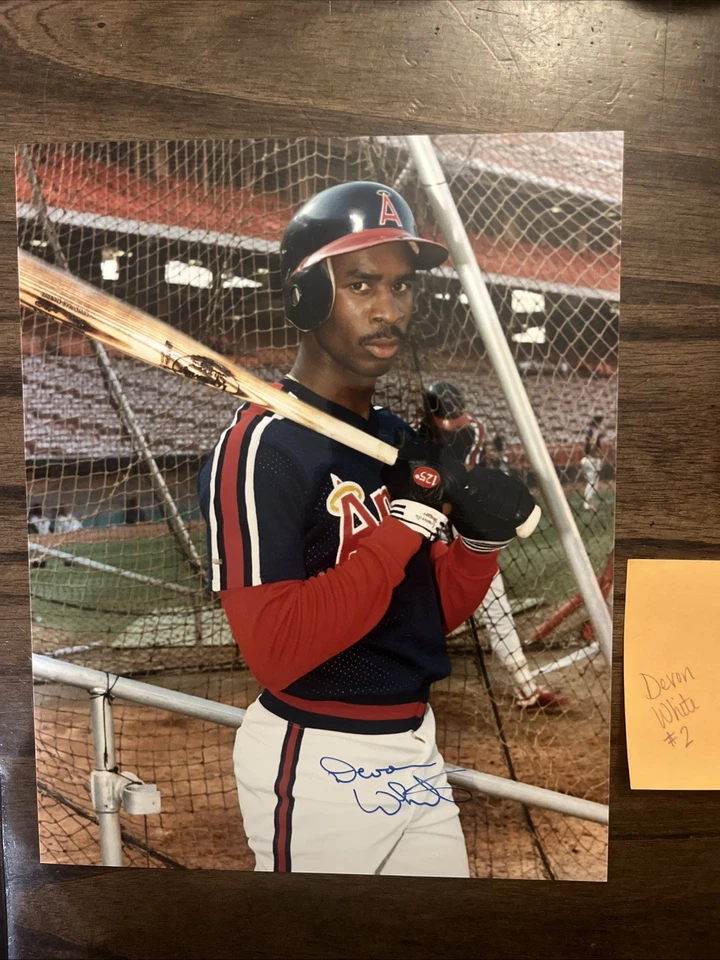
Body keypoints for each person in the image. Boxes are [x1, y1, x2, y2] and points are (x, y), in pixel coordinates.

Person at [198, 181, 537, 878]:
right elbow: (279, 650)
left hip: (415, 748)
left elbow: (422, 615)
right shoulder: (263, 446)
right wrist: (408, 518)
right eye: (361, 284)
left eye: (402, 286)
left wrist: (478, 541)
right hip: (318, 755)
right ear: (307, 296)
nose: (390, 310)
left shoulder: (395, 440)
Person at [419, 382, 567, 711]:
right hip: (424, 532)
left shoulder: (471, 430)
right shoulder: (417, 432)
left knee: (496, 608)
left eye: (455, 413)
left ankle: (525, 688)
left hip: (464, 535)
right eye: (448, 413)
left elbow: (459, 478)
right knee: (418, 608)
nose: (454, 419)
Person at [580, 414, 605, 512]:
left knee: (593, 483)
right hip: (591, 460)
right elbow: (592, 445)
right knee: (592, 483)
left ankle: (590, 503)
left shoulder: (592, 431)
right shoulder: (593, 432)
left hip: (590, 459)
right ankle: (587, 504)